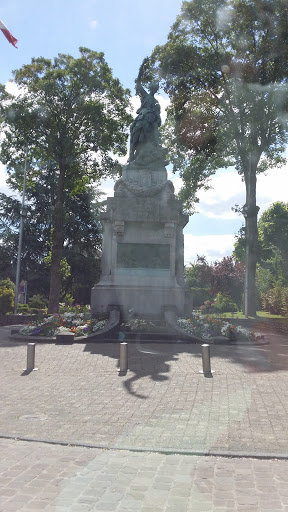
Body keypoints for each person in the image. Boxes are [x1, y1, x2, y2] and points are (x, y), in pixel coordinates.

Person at [129, 58, 162, 162]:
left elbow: (158, 118)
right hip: (140, 119)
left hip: (149, 121)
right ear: (150, 87)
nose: (154, 87)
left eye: (155, 87)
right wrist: (142, 67)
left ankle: (144, 156)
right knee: (134, 136)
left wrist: (155, 120)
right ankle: (131, 156)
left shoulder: (156, 103)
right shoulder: (145, 95)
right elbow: (138, 83)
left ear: (156, 89)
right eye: (153, 85)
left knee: (143, 139)